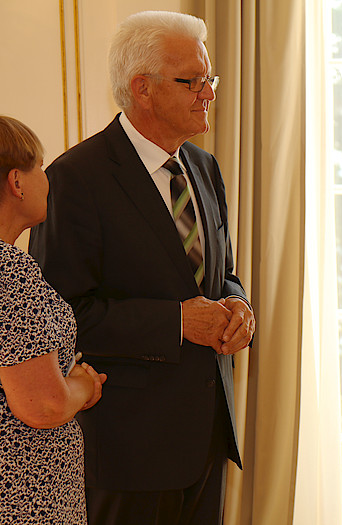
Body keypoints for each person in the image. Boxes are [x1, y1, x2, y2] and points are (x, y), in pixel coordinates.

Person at [28, 11, 255, 524]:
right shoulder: (75, 180)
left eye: (210, 79)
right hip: (129, 451)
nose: (208, 94)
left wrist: (238, 304)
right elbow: (63, 318)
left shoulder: (204, 167)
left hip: (207, 438)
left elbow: (223, 274)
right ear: (143, 89)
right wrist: (177, 322)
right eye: (192, 81)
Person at [0, 115, 107, 523]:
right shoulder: (9, 273)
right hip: (24, 498)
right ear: (16, 182)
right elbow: (44, 405)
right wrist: (83, 385)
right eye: (40, 167)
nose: (47, 180)